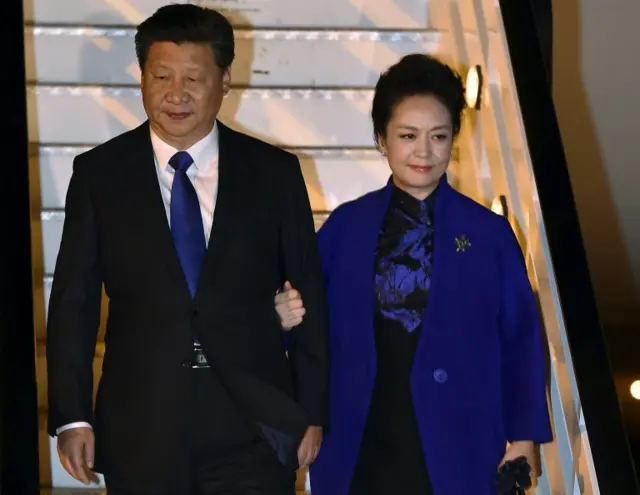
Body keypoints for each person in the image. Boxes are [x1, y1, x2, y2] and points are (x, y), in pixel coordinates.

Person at [46, 5, 329, 494]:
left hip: (253, 425)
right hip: (143, 424)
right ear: (142, 78)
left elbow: (310, 296)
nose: (175, 94)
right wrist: (72, 417)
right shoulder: (99, 174)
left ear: (224, 79)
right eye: (161, 76)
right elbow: (74, 302)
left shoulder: (275, 173)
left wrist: (311, 410)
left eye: (193, 79)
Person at [274, 53, 553, 494]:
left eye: (439, 136)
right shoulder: (346, 226)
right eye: (408, 135)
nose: (424, 151)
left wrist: (523, 439)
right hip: (359, 435)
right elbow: (306, 329)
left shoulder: (489, 233)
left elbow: (520, 341)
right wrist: (279, 318)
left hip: (461, 437)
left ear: (453, 140)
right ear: (382, 139)